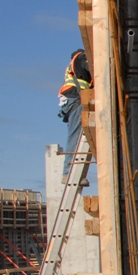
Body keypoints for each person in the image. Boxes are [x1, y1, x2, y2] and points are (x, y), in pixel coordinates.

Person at [58, 49, 92, 183]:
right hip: (76, 99)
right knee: (76, 136)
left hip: (72, 100)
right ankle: (68, 174)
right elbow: (94, 69)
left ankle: (75, 174)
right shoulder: (82, 57)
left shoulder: (72, 67)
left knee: (80, 137)